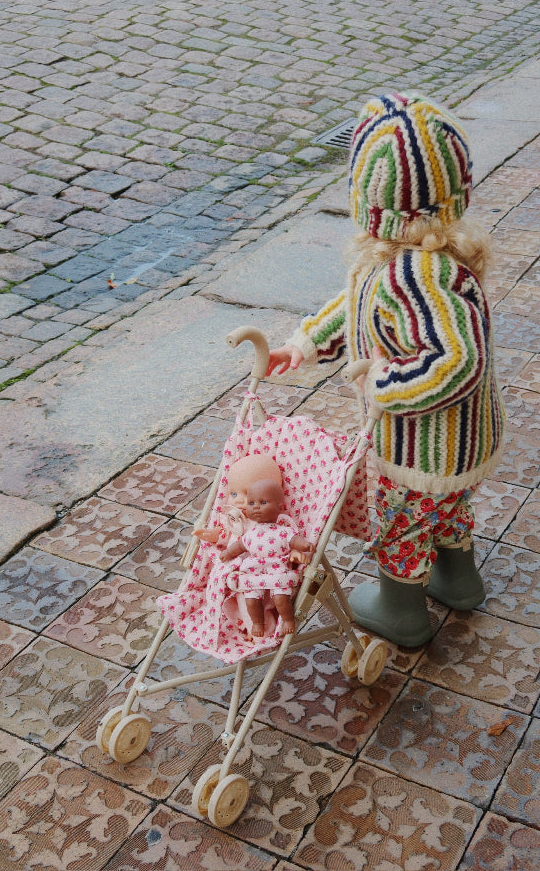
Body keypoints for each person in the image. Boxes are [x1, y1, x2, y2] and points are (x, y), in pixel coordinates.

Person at [267, 92, 505, 648]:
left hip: (421, 444)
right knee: (445, 508)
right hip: (461, 443)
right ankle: (458, 579)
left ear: (366, 198)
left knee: (401, 518)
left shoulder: (414, 274)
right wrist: (306, 341)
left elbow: (456, 361)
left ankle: (399, 606)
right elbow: (356, 305)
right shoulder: (410, 262)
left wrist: (383, 383)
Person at [220, 479, 315, 637]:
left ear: (280, 507)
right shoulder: (250, 533)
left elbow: (294, 540)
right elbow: (239, 546)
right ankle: (258, 622)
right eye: (251, 503)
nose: (256, 507)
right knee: (251, 601)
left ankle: (287, 619)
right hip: (254, 571)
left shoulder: (283, 531)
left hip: (277, 568)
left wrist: (304, 545)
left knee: (280, 599)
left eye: (263, 502)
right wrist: (228, 553)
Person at [193, 453, 282, 548]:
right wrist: (213, 535)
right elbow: (223, 536)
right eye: (233, 494)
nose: (238, 500)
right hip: (233, 559)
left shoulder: (274, 521)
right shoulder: (231, 520)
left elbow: (286, 539)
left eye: (247, 493)